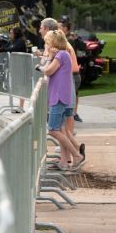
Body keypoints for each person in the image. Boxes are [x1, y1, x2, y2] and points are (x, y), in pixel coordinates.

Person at [36, 30, 85, 171]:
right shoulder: (62, 54)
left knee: (53, 130)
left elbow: (48, 70)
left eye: (47, 42)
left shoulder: (61, 55)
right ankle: (64, 162)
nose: (46, 45)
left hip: (58, 97)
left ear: (54, 43)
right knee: (61, 130)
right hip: (59, 96)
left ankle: (76, 155)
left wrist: (48, 58)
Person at [0, 26, 28, 112]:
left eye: (11, 33)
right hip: (14, 66)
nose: (10, 34)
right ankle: (19, 106)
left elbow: (12, 48)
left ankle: (21, 107)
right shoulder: (12, 41)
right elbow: (6, 46)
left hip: (21, 66)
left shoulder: (20, 41)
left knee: (21, 86)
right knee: (15, 85)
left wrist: (0, 50)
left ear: (16, 33)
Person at [58, 19, 83, 122]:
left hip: (72, 71)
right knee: (73, 95)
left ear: (65, 29)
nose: (56, 29)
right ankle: (72, 115)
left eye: (58, 27)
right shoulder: (64, 39)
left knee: (72, 95)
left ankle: (73, 114)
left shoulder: (68, 40)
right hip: (71, 70)